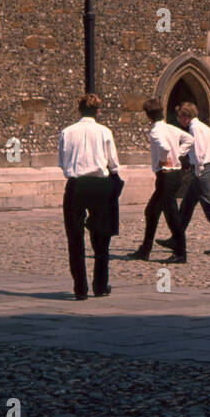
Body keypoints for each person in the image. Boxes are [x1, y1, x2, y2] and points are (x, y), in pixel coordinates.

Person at [58, 93, 122, 299]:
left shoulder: (67, 132)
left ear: (79, 110)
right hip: (100, 185)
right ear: (98, 111)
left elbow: (62, 162)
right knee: (101, 239)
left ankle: (80, 288)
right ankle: (100, 285)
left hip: (76, 185)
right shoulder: (104, 132)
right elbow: (113, 164)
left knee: (75, 238)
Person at [128, 98, 193, 263]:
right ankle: (145, 249)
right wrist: (178, 153)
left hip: (166, 175)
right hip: (173, 175)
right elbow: (189, 139)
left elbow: (164, 148)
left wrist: (165, 160)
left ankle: (180, 252)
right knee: (151, 211)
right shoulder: (170, 128)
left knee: (171, 215)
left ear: (148, 116)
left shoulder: (156, 131)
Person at [172, 101, 210, 256]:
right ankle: (176, 237)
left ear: (186, 116)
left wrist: (198, 171)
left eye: (179, 117)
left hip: (201, 170)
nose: (178, 120)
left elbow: (198, 153)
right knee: (186, 205)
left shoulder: (194, 129)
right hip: (207, 168)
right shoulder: (206, 127)